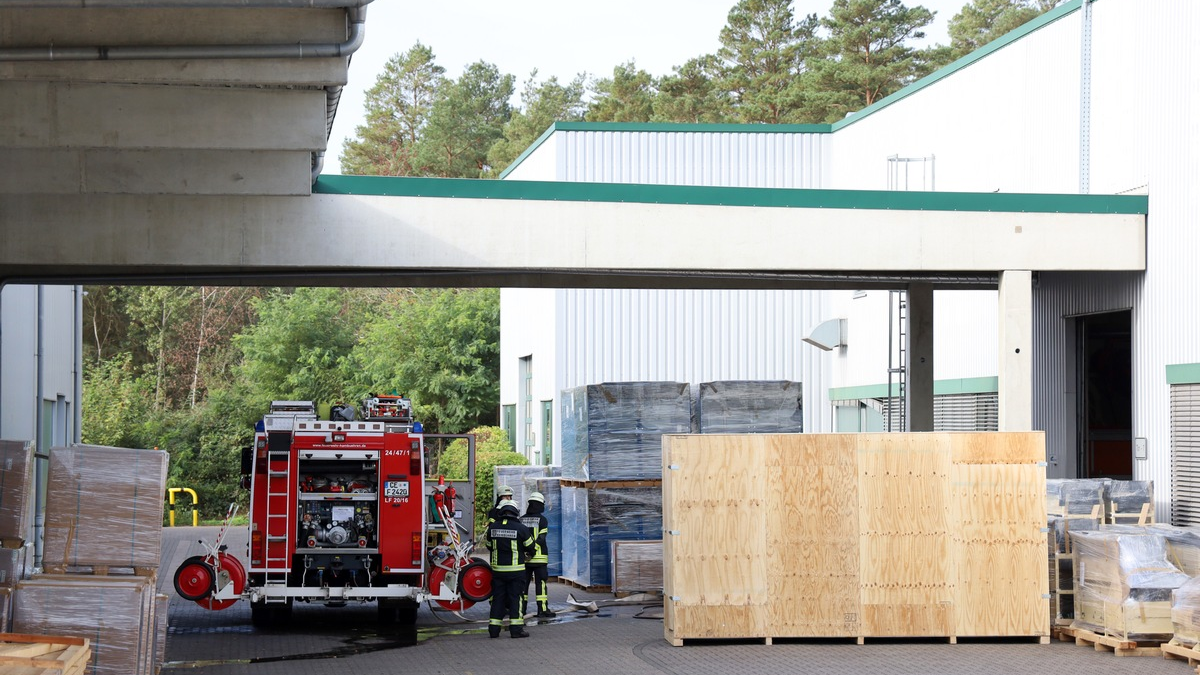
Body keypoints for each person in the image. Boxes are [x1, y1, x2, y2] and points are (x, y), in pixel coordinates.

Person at [485, 498, 535, 638]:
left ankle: (494, 630)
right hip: (516, 572)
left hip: (498, 571)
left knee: (498, 599)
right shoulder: (521, 528)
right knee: (515, 599)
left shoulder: (493, 527)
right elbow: (531, 547)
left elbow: (489, 546)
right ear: (515, 513)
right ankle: (516, 630)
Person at [520, 491, 555, 618]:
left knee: (523, 585)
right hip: (539, 559)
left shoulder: (521, 519)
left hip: (525, 559)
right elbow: (541, 538)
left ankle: (521, 610)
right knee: (541, 584)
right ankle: (542, 610)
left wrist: (527, 552)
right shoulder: (543, 520)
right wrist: (533, 550)